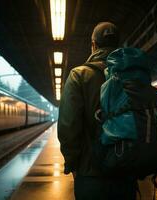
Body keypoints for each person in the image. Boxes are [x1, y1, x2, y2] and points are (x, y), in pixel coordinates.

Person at [58, 22, 138, 200]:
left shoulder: (79, 75)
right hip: (127, 174)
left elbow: (68, 127)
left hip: (91, 175)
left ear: (93, 45)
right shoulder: (134, 75)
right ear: (118, 45)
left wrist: (73, 165)